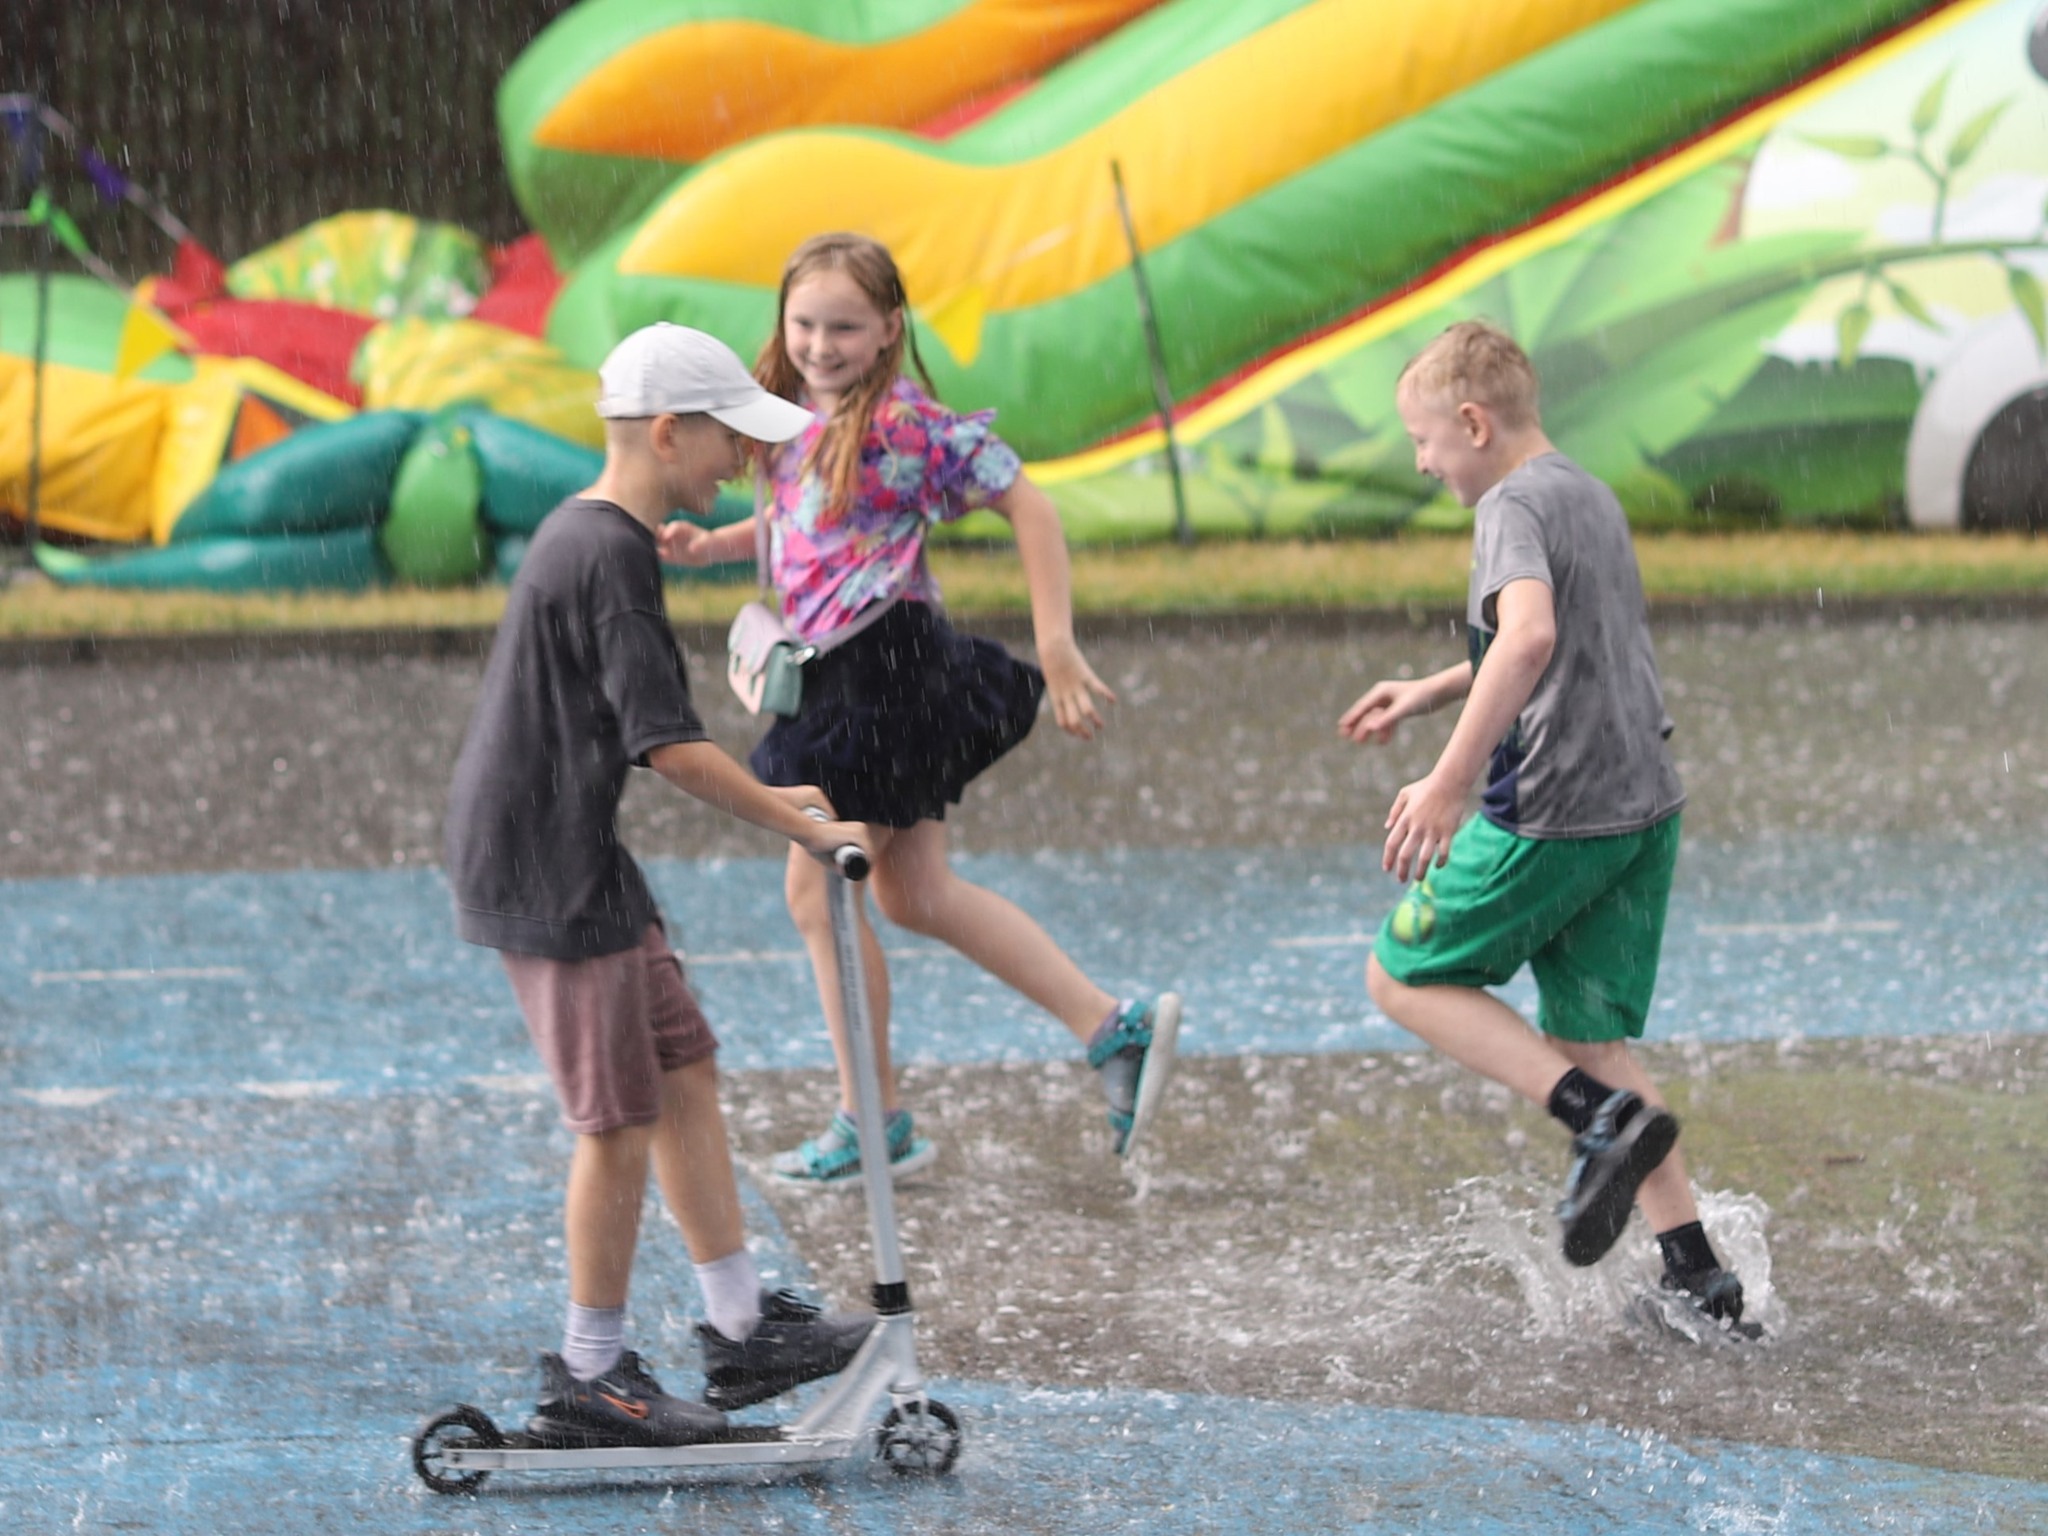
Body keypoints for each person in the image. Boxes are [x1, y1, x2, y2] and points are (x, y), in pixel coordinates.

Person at [665, 233, 1182, 1187]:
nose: (820, 344)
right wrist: (720, 545)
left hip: (882, 671)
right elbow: (815, 520)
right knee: (916, 894)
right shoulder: (791, 414)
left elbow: (1031, 507)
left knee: (816, 891)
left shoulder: (904, 426)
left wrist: (1056, 643)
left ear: (889, 330)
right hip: (848, 672)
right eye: (805, 323)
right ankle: (1113, 1028)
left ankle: (872, 1122)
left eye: (844, 327)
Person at [444, 323, 880, 1448]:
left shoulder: (593, 535)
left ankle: (739, 1325)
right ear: (670, 433)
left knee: (682, 1061)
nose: (743, 459)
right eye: (731, 438)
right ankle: (589, 1375)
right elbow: (670, 747)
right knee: (616, 1121)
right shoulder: (610, 556)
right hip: (548, 860)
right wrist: (797, 820)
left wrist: (786, 809)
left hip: (574, 843)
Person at [1339, 320, 1747, 1326]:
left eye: (1424, 440)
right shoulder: (1584, 491)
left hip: (1554, 809)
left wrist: (1447, 781)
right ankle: (1698, 1277)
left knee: (1401, 975)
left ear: (1473, 423)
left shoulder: (1507, 507)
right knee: (1588, 1033)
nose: (1422, 461)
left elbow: (1527, 639)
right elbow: (1563, 641)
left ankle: (1595, 1122)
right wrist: (1434, 687)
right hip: (1639, 807)